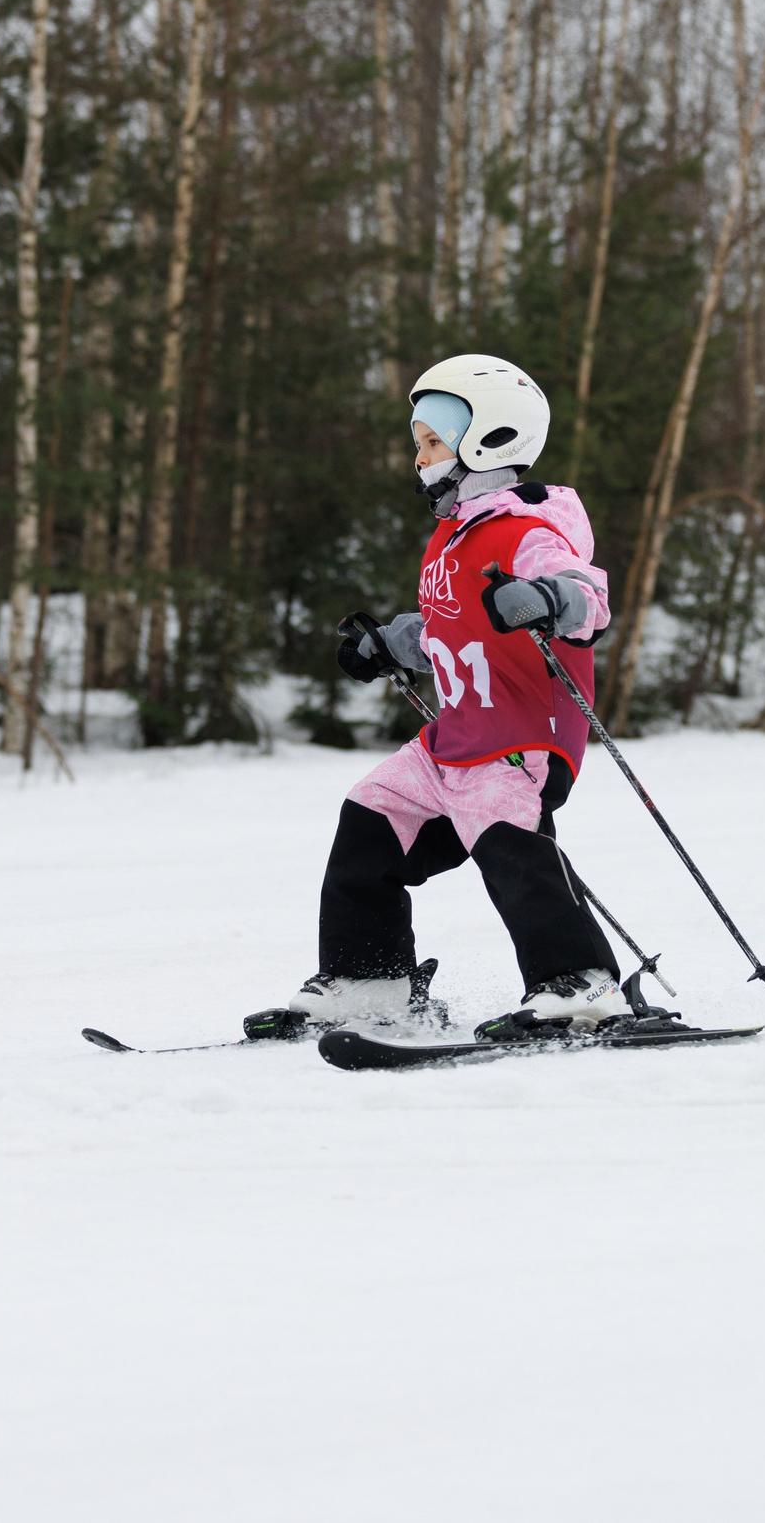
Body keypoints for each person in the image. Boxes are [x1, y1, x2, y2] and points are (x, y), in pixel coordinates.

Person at [249, 354, 626, 1042]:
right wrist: (395, 645)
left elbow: (590, 601)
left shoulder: (530, 531)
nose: (417, 459)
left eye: (431, 442)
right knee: (369, 819)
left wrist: (549, 597)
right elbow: (453, 629)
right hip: (456, 739)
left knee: (511, 847)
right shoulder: (451, 538)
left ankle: (579, 984)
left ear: (487, 441)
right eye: (418, 443)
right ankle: (369, 980)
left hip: (522, 738)